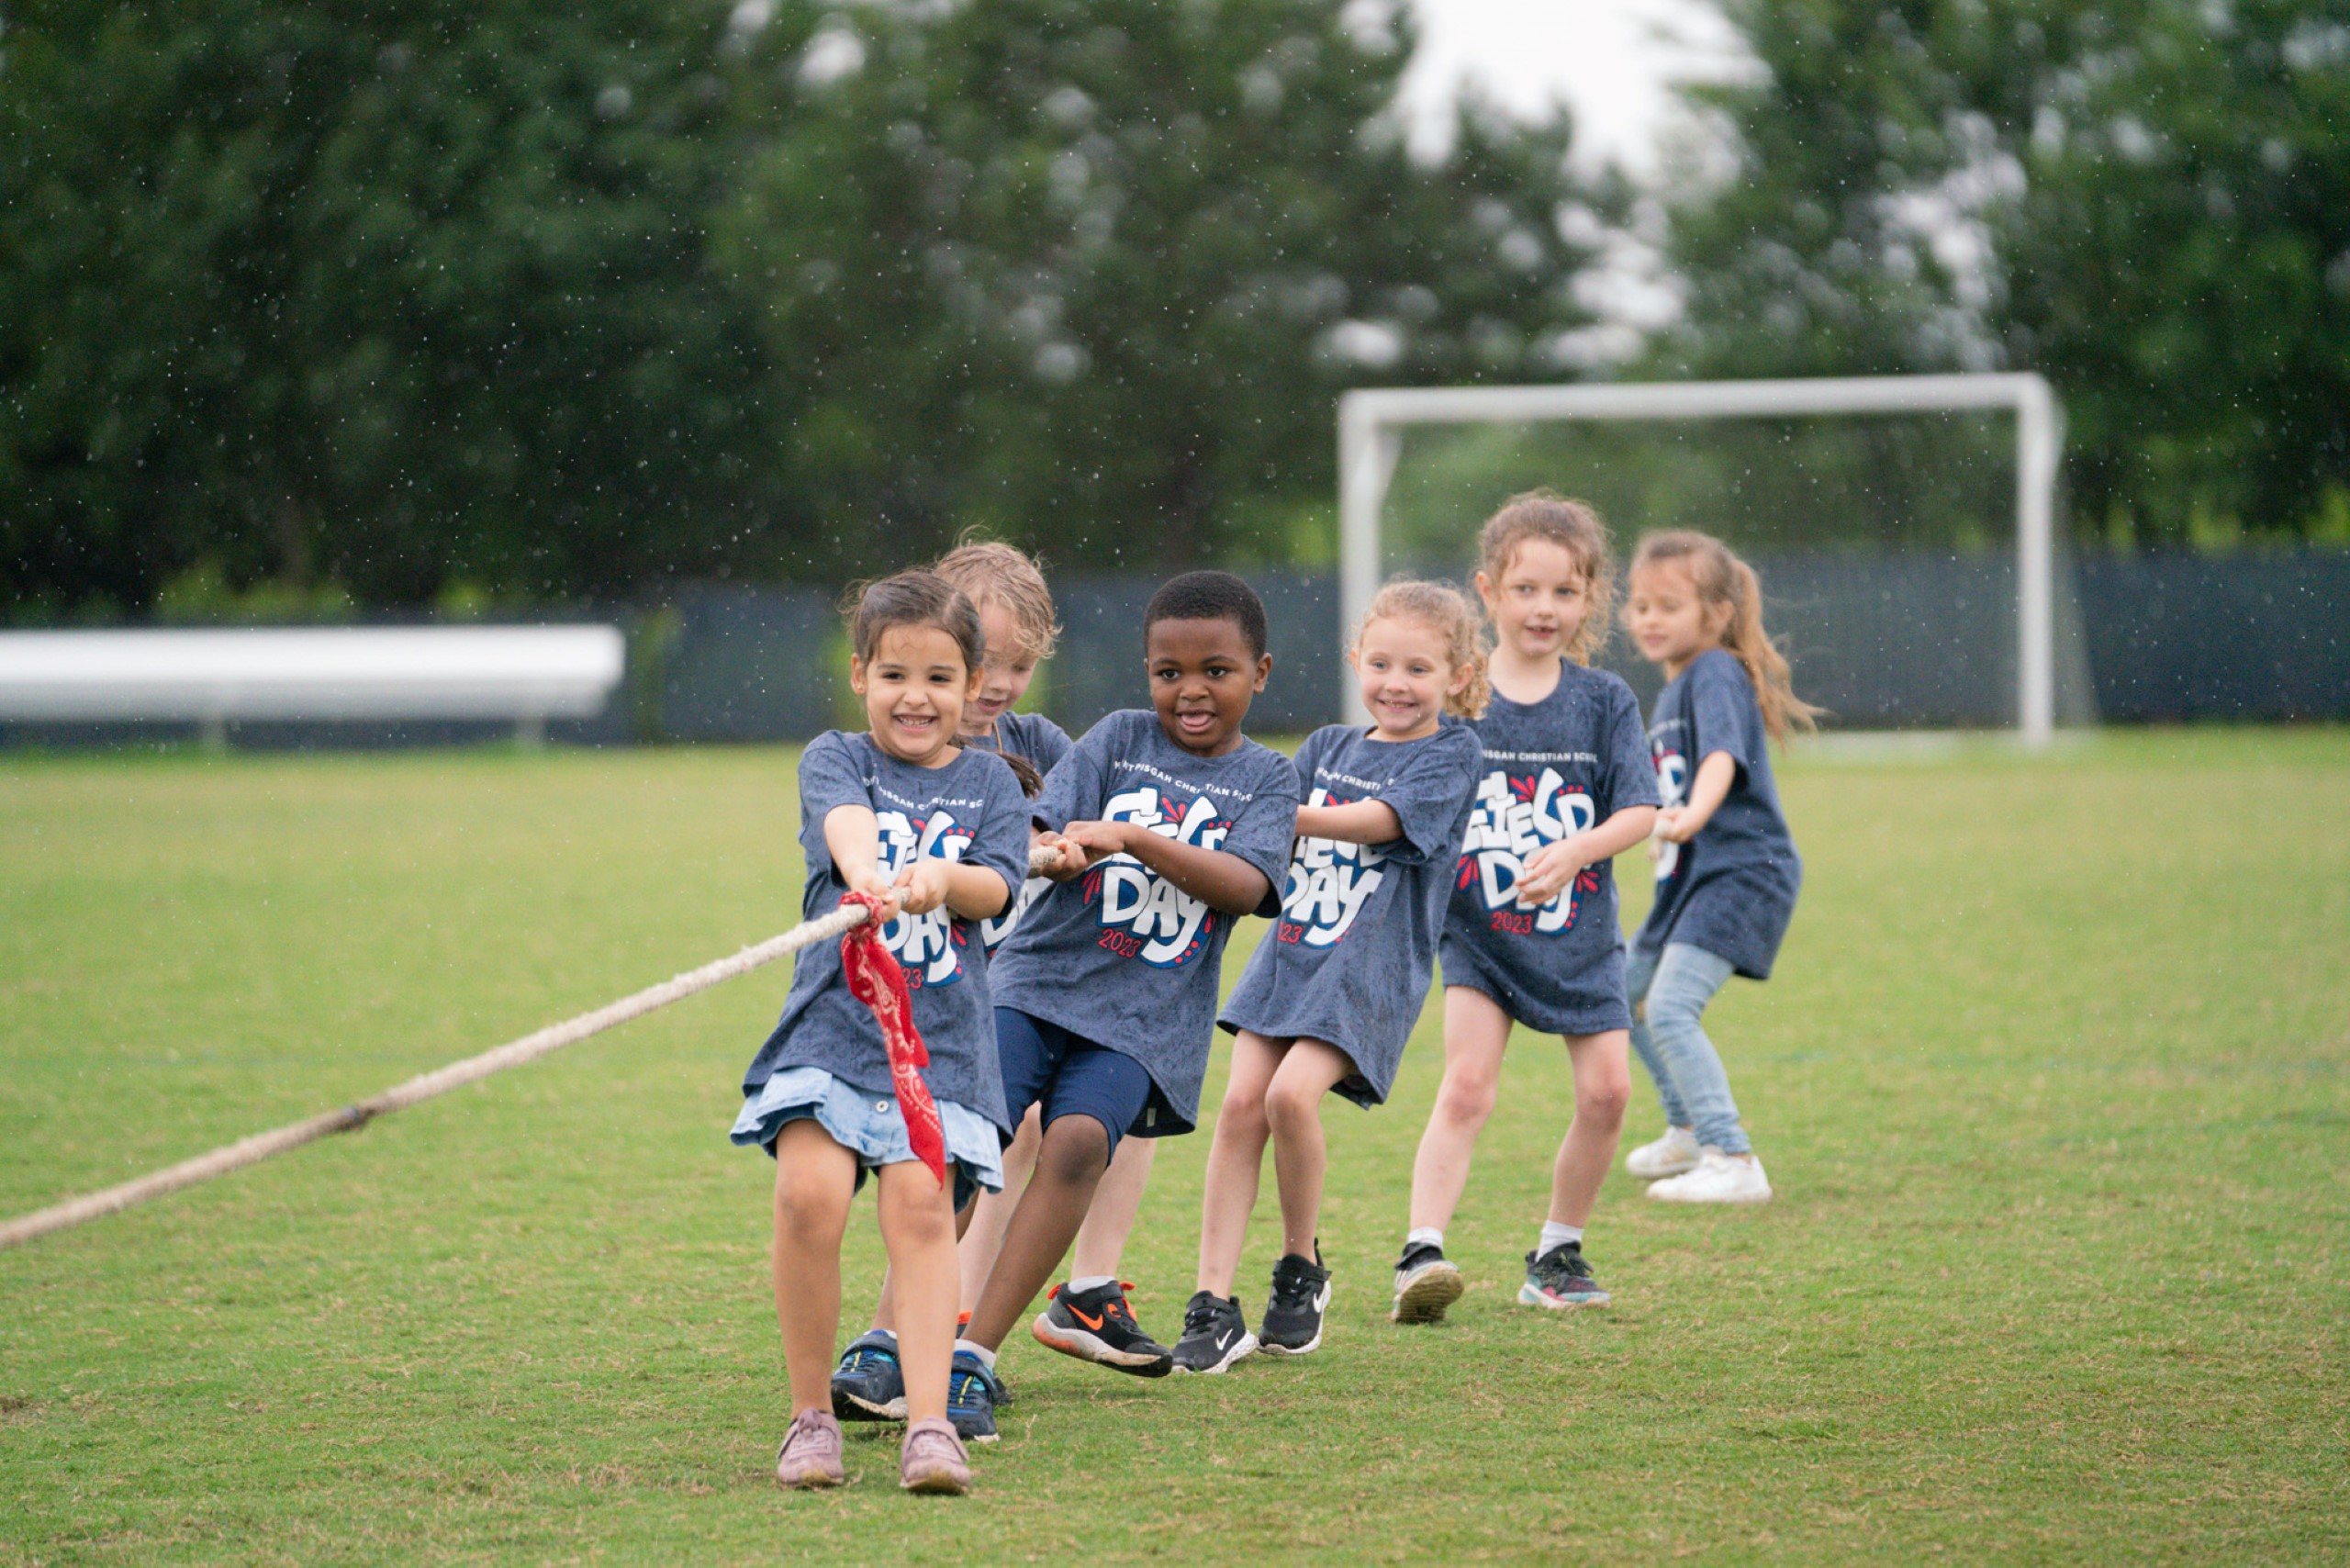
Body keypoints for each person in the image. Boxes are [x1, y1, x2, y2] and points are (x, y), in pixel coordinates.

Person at [950, 571, 1302, 1439]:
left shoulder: (1269, 781)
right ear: (1146, 671)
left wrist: (1138, 838)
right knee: (971, 1130)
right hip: (1035, 984)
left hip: (1145, 1022)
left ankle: (974, 1360)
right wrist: (1052, 846)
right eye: (1168, 671)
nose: (1191, 691)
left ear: (1260, 672)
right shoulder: (1113, 739)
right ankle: (901, 1335)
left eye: (1216, 671)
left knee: (1075, 1146)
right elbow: (1045, 827)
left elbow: (1249, 884)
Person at [831, 538, 1167, 1421]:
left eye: (1019, 664)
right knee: (958, 1159)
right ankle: (895, 1338)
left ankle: (986, 1328)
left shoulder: (1041, 744)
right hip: (932, 992)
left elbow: (1082, 819)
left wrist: (1068, 844)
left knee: (1069, 1131)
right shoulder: (896, 754)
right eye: (987, 659)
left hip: (1025, 983)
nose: (998, 684)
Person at [738, 572, 1031, 1495]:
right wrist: (869, 873)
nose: (916, 695)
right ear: (860, 674)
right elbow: (845, 828)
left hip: (937, 1042)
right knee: (808, 1199)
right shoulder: (836, 757)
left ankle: (931, 1424)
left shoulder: (992, 781)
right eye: (895, 672)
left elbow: (1000, 887)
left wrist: (945, 878)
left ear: (971, 685)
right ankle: (809, 1417)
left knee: (918, 1210)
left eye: (940, 677)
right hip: (833, 1028)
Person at [1172, 580, 1486, 1372]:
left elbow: (1378, 824)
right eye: (1381, 663)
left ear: (1456, 674)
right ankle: (1211, 1301)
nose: (1397, 683)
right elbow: (1262, 844)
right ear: (1356, 662)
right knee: (1241, 1105)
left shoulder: (1454, 753)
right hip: (1290, 957)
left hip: (1367, 973)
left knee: (1288, 1097)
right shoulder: (1324, 749)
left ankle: (1298, 1267)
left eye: (1419, 668)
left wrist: (1285, 812)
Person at [1392, 493, 1660, 1325]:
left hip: (1580, 936)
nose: (1544, 608)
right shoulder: (1459, 698)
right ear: (1488, 591)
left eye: (1565, 592)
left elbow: (1641, 812)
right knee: (1468, 1085)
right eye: (1526, 589)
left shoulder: (1604, 699)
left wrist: (1576, 852)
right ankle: (1421, 1252)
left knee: (1610, 1092)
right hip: (1477, 934)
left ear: (1589, 600)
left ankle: (1556, 1252)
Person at [1619, 530, 1818, 1204]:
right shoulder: (1675, 689)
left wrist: (1694, 815)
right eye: (1640, 605)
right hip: (1692, 876)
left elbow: (1722, 761)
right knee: (1624, 991)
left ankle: (1733, 1158)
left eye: (1667, 606)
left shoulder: (1715, 673)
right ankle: (1688, 1127)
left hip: (1742, 871)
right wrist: (1668, 831)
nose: (1648, 619)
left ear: (1717, 614)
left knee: (1670, 1008)